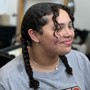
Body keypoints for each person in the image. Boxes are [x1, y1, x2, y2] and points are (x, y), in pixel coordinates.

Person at [0, 2, 90, 90]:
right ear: (34, 35)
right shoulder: (7, 79)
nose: (70, 33)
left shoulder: (80, 61)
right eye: (58, 28)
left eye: (70, 26)